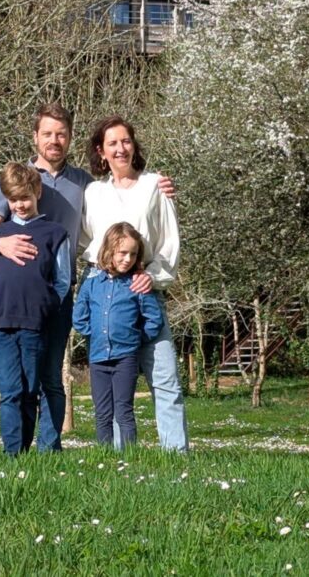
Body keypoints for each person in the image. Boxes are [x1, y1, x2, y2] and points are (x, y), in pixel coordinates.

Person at [0, 103, 175, 458]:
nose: (54, 140)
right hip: (10, 299)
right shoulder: (15, 179)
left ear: (70, 138)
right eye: (47, 134)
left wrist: (156, 184)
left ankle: (49, 449)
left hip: (56, 295)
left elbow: (121, 196)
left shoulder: (84, 183)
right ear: (35, 137)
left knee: (51, 378)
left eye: (61, 134)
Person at [80, 115, 188, 452]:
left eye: (125, 141)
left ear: (134, 145)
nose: (120, 148)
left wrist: (151, 276)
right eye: (112, 143)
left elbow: (169, 242)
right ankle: (117, 455)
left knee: (165, 378)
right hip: (108, 299)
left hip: (144, 292)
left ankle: (176, 453)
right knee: (113, 384)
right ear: (101, 151)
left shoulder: (155, 185)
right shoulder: (93, 193)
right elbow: (88, 243)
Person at [0, 163, 70, 455]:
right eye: (14, 199)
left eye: (26, 198)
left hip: (35, 323)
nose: (20, 204)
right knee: (10, 392)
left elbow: (62, 281)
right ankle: (11, 453)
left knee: (31, 388)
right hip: (1, 323)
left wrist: (46, 306)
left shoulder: (55, 233)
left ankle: (27, 448)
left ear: (37, 193)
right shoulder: (1, 234)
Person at [73, 222, 162, 449]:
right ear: (109, 251)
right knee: (102, 412)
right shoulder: (92, 285)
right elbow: (79, 316)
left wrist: (136, 338)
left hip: (126, 358)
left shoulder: (137, 285)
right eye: (122, 253)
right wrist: (93, 334)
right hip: (98, 358)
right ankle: (105, 455)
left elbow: (154, 319)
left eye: (133, 254)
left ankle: (129, 456)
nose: (127, 259)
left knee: (124, 410)